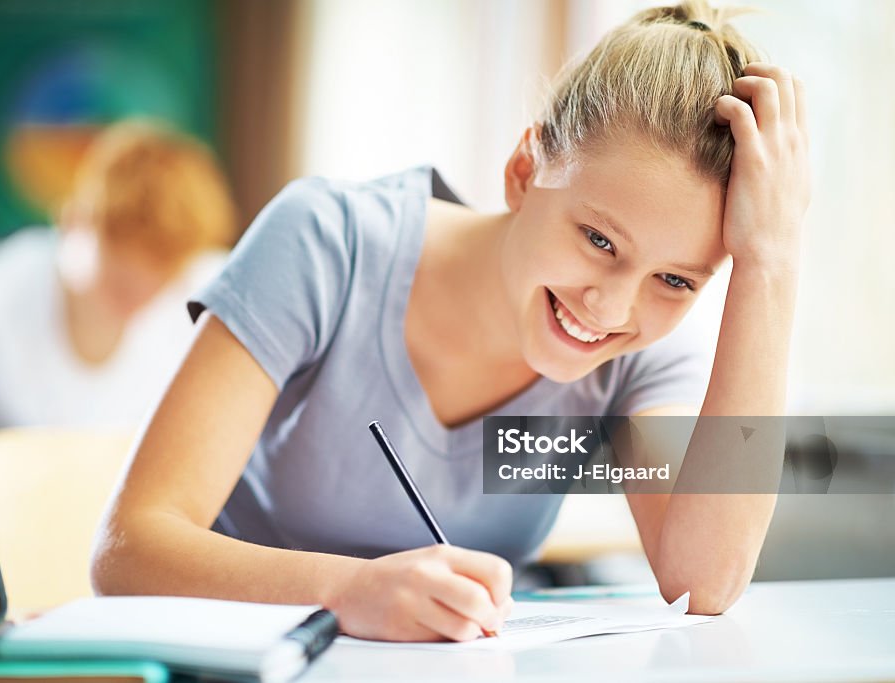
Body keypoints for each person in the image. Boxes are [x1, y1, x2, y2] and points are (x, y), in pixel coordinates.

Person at [92, 1, 810, 642]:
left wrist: (769, 263)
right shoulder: (325, 244)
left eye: (676, 279)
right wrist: (343, 591)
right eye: (598, 239)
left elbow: (705, 581)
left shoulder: (643, 352)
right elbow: (128, 550)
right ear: (525, 170)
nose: (612, 308)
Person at [0, 120, 238, 508]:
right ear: (73, 221)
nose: (141, 298)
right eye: (120, 284)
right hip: (7, 542)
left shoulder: (207, 284)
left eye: (159, 281)